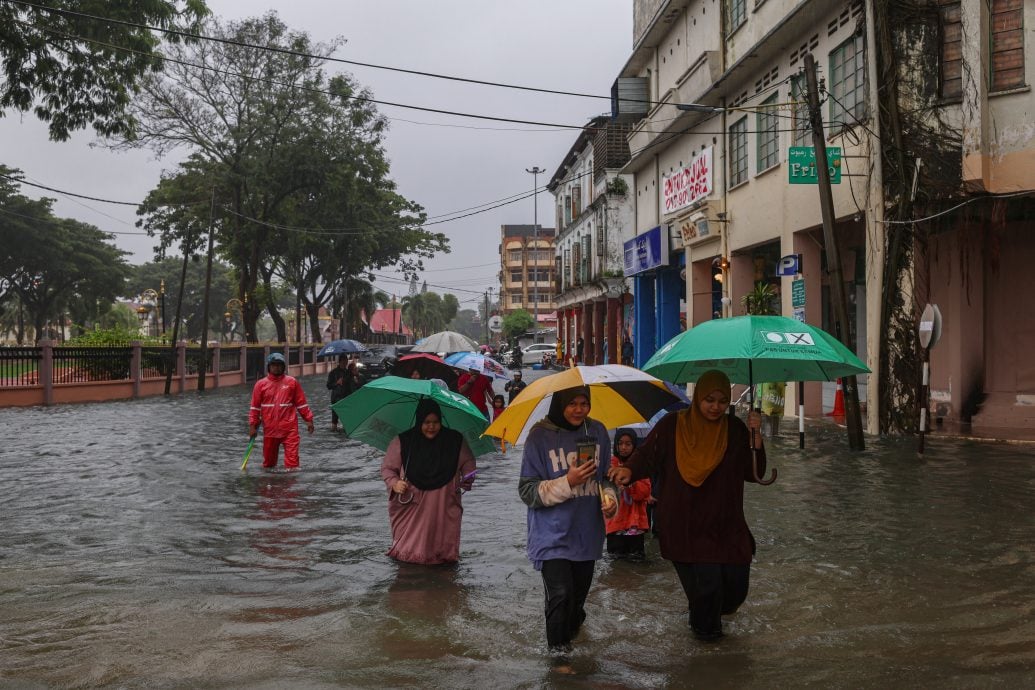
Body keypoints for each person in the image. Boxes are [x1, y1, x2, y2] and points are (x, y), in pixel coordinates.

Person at [608, 370, 764, 641]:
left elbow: (753, 474)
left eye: (721, 401)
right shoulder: (672, 425)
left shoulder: (736, 429)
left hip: (727, 524)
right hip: (685, 523)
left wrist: (756, 439)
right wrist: (629, 471)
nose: (715, 407)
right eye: (709, 400)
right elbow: (647, 456)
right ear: (698, 398)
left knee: (736, 590)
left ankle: (706, 627)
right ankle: (708, 657)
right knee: (708, 589)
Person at [518, 386, 618, 652]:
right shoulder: (539, 437)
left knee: (575, 604)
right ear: (559, 404)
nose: (578, 409)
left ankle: (572, 631)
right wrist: (568, 482)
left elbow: (606, 477)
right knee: (560, 595)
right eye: (571, 403)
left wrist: (610, 498)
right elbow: (527, 491)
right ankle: (559, 661)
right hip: (551, 535)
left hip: (586, 534)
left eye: (584, 403)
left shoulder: (597, 432)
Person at [380, 398, 476, 564]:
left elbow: (469, 462)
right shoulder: (403, 441)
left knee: (442, 556)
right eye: (426, 422)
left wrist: (468, 477)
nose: (431, 427)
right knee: (408, 558)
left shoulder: (454, 440)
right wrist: (395, 483)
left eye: (435, 422)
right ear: (419, 421)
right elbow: (387, 469)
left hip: (443, 503)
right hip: (412, 503)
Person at [249, 352, 315, 470]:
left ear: (283, 366)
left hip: (290, 430)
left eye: (279, 364)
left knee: (292, 465)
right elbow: (255, 407)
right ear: (269, 366)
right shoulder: (260, 385)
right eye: (273, 364)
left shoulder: (292, 382)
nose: (276, 367)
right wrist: (253, 425)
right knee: (268, 465)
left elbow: (301, 404)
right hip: (270, 430)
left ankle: (291, 486)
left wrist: (308, 419)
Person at [605, 429, 652, 560]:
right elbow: (604, 493)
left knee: (636, 561)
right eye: (620, 443)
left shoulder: (640, 465)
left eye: (628, 444)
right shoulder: (609, 465)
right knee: (616, 564)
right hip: (615, 524)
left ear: (634, 445)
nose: (623, 447)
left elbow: (644, 493)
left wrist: (630, 482)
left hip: (635, 525)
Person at [326, 355, 358, 431]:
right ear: (340, 362)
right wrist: (337, 383)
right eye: (344, 361)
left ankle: (345, 431)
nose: (345, 363)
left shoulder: (349, 372)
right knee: (334, 418)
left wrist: (355, 380)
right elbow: (328, 386)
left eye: (346, 361)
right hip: (336, 398)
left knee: (346, 418)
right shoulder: (333, 373)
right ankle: (334, 430)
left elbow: (351, 385)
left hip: (346, 397)